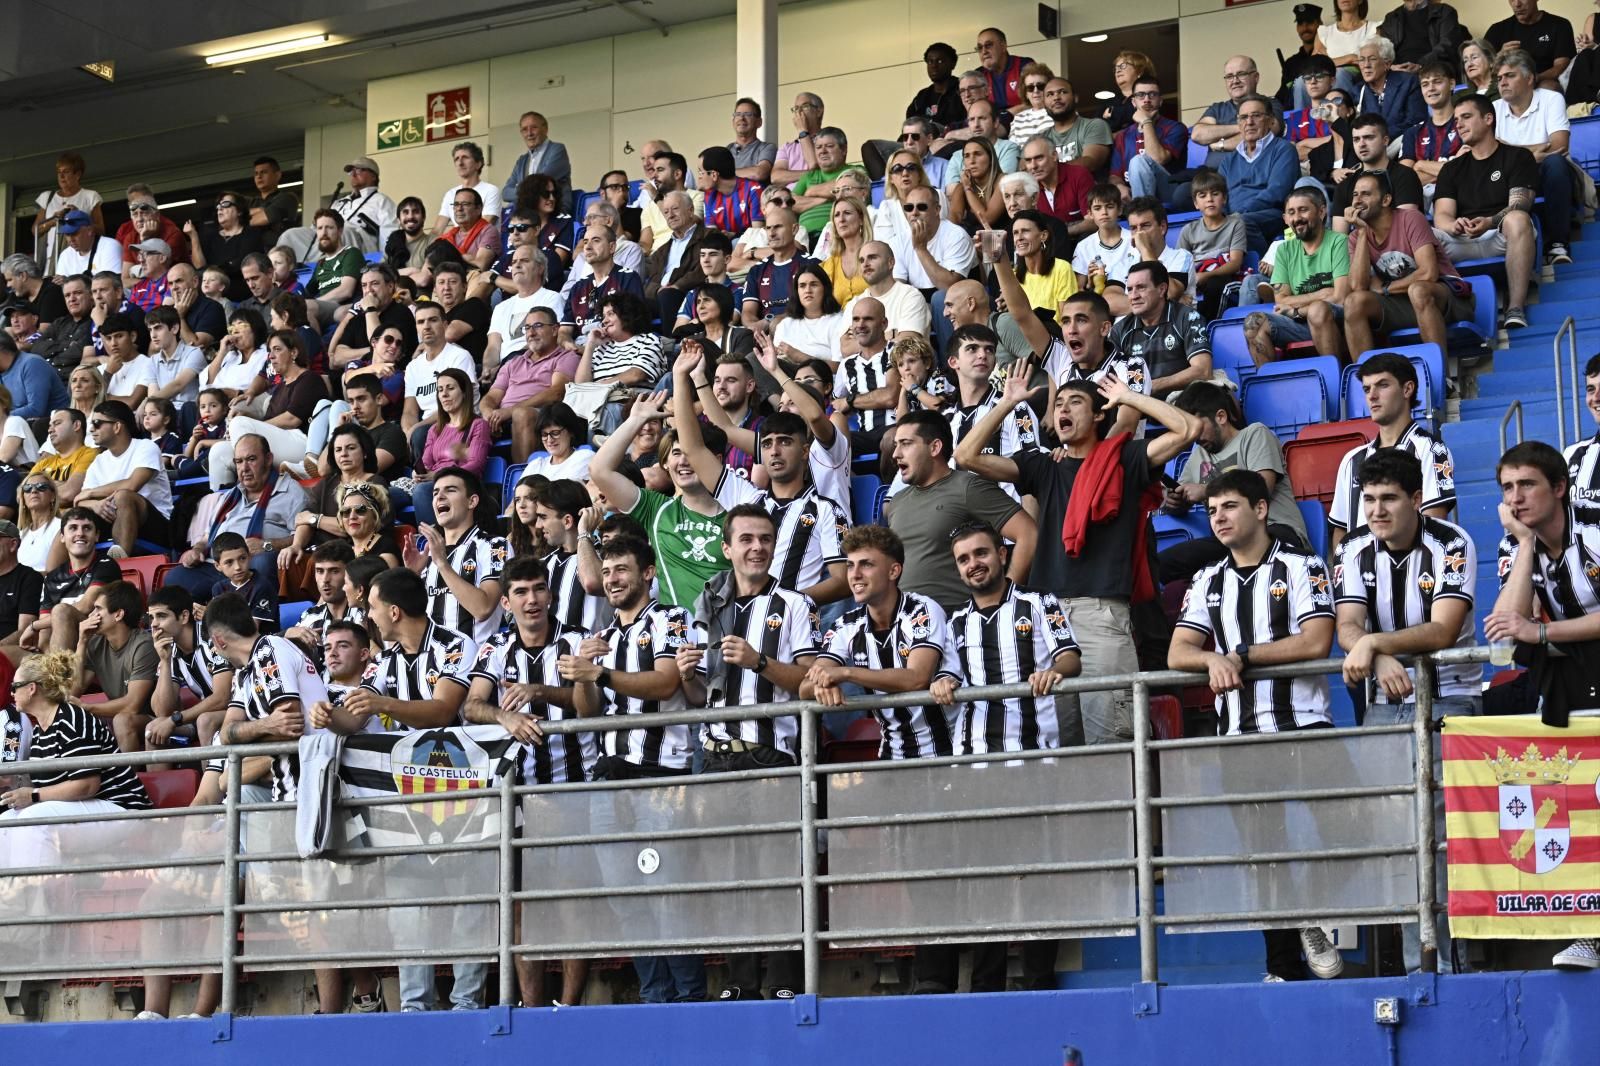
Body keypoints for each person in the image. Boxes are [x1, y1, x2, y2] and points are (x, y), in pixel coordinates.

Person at [957, 359, 1202, 746]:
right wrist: (1005, 403)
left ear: (1099, 415)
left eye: (1074, 403)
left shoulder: (1125, 458)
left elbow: (1190, 428)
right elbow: (966, 457)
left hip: (1102, 616)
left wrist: (1129, 397)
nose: (1063, 409)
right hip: (1047, 620)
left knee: (1112, 743)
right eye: (1059, 404)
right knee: (1060, 745)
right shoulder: (1043, 466)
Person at [1167, 469, 1342, 983]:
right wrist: (1211, 662)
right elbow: (1180, 651)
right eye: (1213, 509)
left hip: (1304, 723)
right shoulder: (1207, 579)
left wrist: (1238, 655)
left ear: (1261, 510)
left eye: (1230, 507)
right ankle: (1283, 965)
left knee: (1339, 835)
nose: (1218, 517)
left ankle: (1316, 914)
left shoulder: (1303, 566)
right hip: (1239, 733)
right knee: (1260, 852)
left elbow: (1316, 641)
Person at [918, 519, 1082, 994]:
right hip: (976, 770)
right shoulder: (953, 623)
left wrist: (1051, 670)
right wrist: (942, 683)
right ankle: (988, 985)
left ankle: (1038, 982)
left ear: (1003, 555)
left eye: (981, 554)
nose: (974, 564)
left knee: (1036, 877)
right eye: (965, 559)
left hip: (1033, 762)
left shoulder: (1040, 603)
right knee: (984, 880)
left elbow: (1071, 656)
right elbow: (943, 674)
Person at [1334, 448, 1477, 971]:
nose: (1376, 509)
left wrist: (1373, 644)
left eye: (1389, 498)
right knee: (1397, 842)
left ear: (1418, 499)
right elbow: (1347, 627)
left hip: (1450, 701)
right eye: (1369, 499)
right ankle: (1419, 970)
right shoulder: (1352, 549)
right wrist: (1378, 651)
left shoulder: (1452, 542)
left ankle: (1457, 966)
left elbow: (1442, 630)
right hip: (1383, 707)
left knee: (1444, 842)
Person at [679, 503, 820, 1000]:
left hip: (771, 754)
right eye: (746, 539)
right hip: (718, 756)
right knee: (731, 873)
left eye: (764, 539)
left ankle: (783, 981)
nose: (756, 547)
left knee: (778, 870)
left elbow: (808, 680)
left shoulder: (795, 605)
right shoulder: (709, 602)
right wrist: (684, 674)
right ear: (727, 547)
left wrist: (760, 661)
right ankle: (740, 981)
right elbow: (700, 697)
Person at [559, 535, 705, 1002]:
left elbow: (666, 685)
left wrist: (598, 673)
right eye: (606, 572)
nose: (612, 579)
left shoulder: (672, 618)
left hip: (661, 776)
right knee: (625, 896)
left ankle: (689, 997)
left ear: (647, 574)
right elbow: (587, 712)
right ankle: (654, 996)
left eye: (622, 569)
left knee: (668, 892)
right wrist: (584, 673)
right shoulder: (602, 639)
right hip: (610, 778)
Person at [1485, 440, 1600, 970]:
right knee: (1585, 806)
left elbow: (1532, 628)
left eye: (1527, 484)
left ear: (1559, 487)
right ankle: (1592, 934)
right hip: (1576, 685)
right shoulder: (1519, 543)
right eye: (1507, 488)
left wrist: (1544, 628)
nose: (1516, 497)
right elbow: (1506, 632)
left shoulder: (1595, 527)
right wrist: (1525, 546)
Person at [461, 555, 590, 1006]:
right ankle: (534, 1008)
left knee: (572, 901)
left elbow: (592, 703)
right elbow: (471, 706)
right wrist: (504, 715)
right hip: (515, 795)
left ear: (550, 594)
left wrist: (540, 692)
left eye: (538, 589)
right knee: (518, 904)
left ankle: (570, 1007)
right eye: (520, 592)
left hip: (574, 788)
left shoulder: (577, 641)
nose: (531, 599)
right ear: (508, 600)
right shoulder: (495, 648)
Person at [675, 351, 848, 606]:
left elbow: (842, 582)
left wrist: (781, 602)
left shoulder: (826, 509)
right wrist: (682, 378)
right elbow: (697, 448)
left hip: (798, 623)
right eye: (766, 445)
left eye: (784, 442)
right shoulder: (750, 500)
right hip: (742, 625)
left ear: (803, 451)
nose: (774, 450)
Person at [804, 524, 959, 758]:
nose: (854, 575)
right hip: (891, 755)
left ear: (893, 571)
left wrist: (846, 674)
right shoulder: (845, 626)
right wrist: (823, 685)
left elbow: (917, 678)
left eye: (866, 564)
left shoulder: (922, 609)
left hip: (950, 751)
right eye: (850, 565)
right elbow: (805, 687)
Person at [0, 650, 151, 874]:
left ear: (31, 688)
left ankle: (38, 896)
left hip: (122, 808)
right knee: (6, 820)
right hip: (85, 806)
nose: (11, 693)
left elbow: (88, 784)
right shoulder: (40, 731)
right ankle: (10, 894)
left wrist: (33, 795)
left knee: (31, 818)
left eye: (15, 687)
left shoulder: (72, 718)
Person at [882, 409, 1036, 615]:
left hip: (956, 623)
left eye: (906, 444)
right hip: (906, 624)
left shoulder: (968, 487)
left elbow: (1029, 534)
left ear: (935, 447)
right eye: (895, 445)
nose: (895, 454)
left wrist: (1003, 602)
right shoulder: (897, 502)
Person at [1163, 381, 1311, 582]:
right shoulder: (1199, 455)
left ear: (1221, 417)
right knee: (1165, 562)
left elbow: (1261, 488)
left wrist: (1205, 491)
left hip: (1274, 529)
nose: (1194, 437)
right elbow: (1183, 495)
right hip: (1228, 539)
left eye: (1199, 427)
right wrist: (1174, 500)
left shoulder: (1255, 434)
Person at [590, 393, 727, 608]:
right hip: (676, 636)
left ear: (715, 460)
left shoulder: (737, 515)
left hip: (725, 634)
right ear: (665, 462)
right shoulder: (657, 509)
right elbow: (600, 470)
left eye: (690, 453)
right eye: (676, 453)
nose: (683, 461)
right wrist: (635, 421)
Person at [1328, 353, 1457, 553]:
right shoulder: (1352, 460)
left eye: (1383, 385)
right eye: (1367, 389)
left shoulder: (1431, 451)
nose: (1372, 395)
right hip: (1361, 577)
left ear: (1407, 389)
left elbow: (1434, 525)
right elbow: (1340, 530)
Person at [1430, 94, 1539, 329]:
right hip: (1460, 238)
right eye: (1456, 119)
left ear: (1488, 118)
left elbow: (1520, 205)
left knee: (1518, 219)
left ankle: (1515, 308)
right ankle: (1442, 312)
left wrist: (1489, 222)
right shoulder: (1451, 168)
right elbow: (1441, 215)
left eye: (1466, 117)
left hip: (1500, 235)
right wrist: (1453, 225)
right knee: (1419, 230)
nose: (1458, 124)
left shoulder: (1518, 157)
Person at [1343, 172, 1475, 356]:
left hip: (1447, 297)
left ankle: (1441, 376)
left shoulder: (1410, 218)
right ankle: (1365, 378)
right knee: (1353, 303)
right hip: (1403, 304)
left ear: (1386, 200)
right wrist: (1363, 233)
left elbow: (1429, 273)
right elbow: (1357, 286)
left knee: (1419, 290)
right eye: (1355, 194)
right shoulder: (1356, 236)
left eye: (1366, 194)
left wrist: (1387, 288)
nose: (1357, 200)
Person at [165, 435, 307, 601]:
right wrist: (197, 550)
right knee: (175, 577)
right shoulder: (230, 497)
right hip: (217, 567)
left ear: (268, 459)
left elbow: (303, 538)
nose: (244, 468)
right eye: (238, 462)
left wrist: (268, 545)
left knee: (261, 563)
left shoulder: (290, 491)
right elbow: (206, 537)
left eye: (251, 459)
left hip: (251, 567)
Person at [400, 466, 506, 647]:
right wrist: (413, 576)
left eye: (450, 490)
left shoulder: (494, 545)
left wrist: (442, 564)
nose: (439, 497)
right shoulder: (428, 554)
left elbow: (483, 608)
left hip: (476, 663)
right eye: (435, 493)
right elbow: (409, 622)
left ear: (472, 502)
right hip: (432, 663)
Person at [1243, 186, 1351, 364]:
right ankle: (1269, 385)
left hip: (1338, 321)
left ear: (1322, 211)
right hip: (1301, 322)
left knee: (1318, 310)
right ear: (1285, 219)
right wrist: (1323, 294)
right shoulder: (1284, 250)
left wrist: (1296, 309)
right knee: (1253, 322)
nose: (1297, 218)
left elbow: (1340, 297)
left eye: (1303, 210)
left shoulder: (1339, 242)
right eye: (1291, 213)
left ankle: (1337, 380)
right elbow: (1281, 301)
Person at [1493, 49, 1576, 268]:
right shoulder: (1493, 109)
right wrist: (1531, 152)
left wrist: (1507, 149)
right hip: (1509, 177)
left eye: (1510, 75)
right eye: (1499, 78)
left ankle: (1557, 243)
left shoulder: (1551, 99)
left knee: (1555, 163)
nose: (1502, 82)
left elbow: (1558, 146)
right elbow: (1489, 153)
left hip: (1545, 174)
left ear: (1530, 78)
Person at [68, 578, 158, 754]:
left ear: (118, 614)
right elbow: (73, 691)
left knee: (122, 720)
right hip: (116, 716)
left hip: (152, 719)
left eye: (98, 609)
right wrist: (82, 642)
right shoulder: (95, 643)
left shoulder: (143, 645)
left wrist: (89, 708)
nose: (91, 615)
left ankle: (128, 780)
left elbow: (133, 705)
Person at [74, 399, 173, 557]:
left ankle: (120, 563)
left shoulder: (146, 447)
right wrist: (96, 504)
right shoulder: (99, 460)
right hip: (112, 518)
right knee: (70, 518)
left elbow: (132, 484)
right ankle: (55, 576)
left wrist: (91, 493)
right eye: (91, 424)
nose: (91, 429)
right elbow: (80, 500)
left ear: (117, 426)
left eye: (97, 423)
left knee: (124, 496)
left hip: (156, 526)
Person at [145, 585, 235, 753]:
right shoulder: (169, 649)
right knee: (153, 728)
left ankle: (211, 778)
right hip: (208, 716)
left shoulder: (211, 637)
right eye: (151, 618)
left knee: (205, 720)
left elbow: (222, 698)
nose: (154, 624)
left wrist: (175, 720)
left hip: (240, 710)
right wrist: (164, 662)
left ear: (184, 616)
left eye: (161, 616)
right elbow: (161, 711)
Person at [1110, 261, 1212, 397]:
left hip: (1181, 403)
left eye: (1141, 288)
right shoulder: (1120, 330)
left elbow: (1203, 371)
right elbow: (1111, 380)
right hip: (1137, 407)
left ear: (1162, 289)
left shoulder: (1187, 317)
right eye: (1129, 289)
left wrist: (1150, 386)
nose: (1133, 296)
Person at [1217, 95, 1302, 254]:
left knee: (1241, 223)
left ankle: (1266, 269)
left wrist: (1237, 215)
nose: (1249, 122)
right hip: (1234, 218)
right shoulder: (1228, 161)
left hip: (1271, 215)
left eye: (1256, 115)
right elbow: (1220, 197)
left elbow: (1277, 192)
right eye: (1243, 117)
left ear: (1270, 121)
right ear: (1238, 123)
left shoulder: (1283, 149)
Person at [1329, 114, 1426, 227]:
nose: (1361, 144)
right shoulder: (1345, 185)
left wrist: (1363, 229)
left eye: (1369, 137)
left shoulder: (1405, 176)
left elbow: (1404, 229)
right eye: (1356, 139)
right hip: (1359, 243)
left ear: (1385, 140)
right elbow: (1341, 239)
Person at [1111, 75, 1189, 209]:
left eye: (1152, 95)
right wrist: (1119, 186)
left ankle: (1142, 213)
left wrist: (1146, 122)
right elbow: (1114, 175)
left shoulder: (1175, 128)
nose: (1146, 100)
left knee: (1138, 161)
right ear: (1133, 102)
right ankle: (1140, 211)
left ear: (1160, 101)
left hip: (1169, 191)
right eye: (1141, 95)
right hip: (1132, 197)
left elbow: (1158, 158)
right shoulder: (1123, 136)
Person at [838, 244, 931, 354]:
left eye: (872, 257)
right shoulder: (854, 304)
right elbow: (846, 349)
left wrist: (866, 340)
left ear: (890, 263)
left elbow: (907, 344)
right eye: (861, 260)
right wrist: (890, 334)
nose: (866, 264)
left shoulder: (910, 296)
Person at [1194, 56, 1284, 163]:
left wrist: (1221, 144)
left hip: (1253, 173)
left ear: (1256, 77)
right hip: (1212, 175)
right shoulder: (1217, 109)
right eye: (1229, 76)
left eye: (1241, 74)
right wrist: (1245, 127)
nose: (1235, 81)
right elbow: (1198, 134)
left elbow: (1264, 133)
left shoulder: (1270, 104)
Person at [31, 152, 105, 278]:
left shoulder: (90, 196)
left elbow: (100, 230)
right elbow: (35, 230)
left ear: (78, 174)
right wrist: (53, 221)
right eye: (59, 172)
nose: (61, 176)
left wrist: (78, 216)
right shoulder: (48, 197)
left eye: (66, 171)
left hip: (77, 261)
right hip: (49, 263)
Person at [185, 192, 266, 304]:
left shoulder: (251, 234)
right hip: (213, 300)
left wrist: (213, 269)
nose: (220, 209)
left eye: (226, 204)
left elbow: (242, 263)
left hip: (243, 298)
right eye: (218, 206)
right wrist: (193, 236)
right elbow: (200, 267)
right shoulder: (211, 237)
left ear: (239, 211)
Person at [283, 541, 362, 652]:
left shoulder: (364, 616)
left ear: (350, 575)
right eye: (319, 571)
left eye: (334, 571)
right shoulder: (310, 616)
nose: (325, 580)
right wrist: (286, 633)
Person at [1398, 62, 1466, 192]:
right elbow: (1405, 181)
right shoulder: (1412, 133)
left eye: (1437, 82)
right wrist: (1449, 168)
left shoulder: (1466, 124)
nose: (1431, 88)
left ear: (1451, 84)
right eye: (1425, 84)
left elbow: (1465, 171)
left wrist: (1421, 165)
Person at [1486, 0, 1576, 90]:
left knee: (1549, 87)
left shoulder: (1559, 25)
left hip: (1542, 82)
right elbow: (1482, 68)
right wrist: (1499, 56)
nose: (1517, 4)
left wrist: (1535, 78)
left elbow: (1561, 66)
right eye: (1512, 0)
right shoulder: (1497, 30)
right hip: (1506, 85)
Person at [500, 111, 572, 211]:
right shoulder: (522, 160)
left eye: (534, 127)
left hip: (555, 213)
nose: (529, 133)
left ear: (545, 129)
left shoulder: (557, 149)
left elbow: (539, 185)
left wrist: (520, 189)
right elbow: (506, 193)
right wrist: (529, 191)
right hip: (528, 215)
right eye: (524, 129)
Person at [1354, 38, 1427, 134]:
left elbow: (1415, 122)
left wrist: (1381, 137)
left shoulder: (1409, 82)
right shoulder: (1359, 91)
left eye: (1372, 59)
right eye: (1362, 60)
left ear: (1387, 64)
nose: (1366, 65)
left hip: (1402, 142)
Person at [789, 128, 852, 238]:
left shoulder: (855, 171)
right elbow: (791, 204)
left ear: (844, 149)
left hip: (837, 234)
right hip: (804, 237)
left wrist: (810, 191)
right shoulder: (808, 176)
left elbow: (847, 185)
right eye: (818, 147)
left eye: (829, 146)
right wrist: (828, 197)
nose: (822, 151)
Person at [1380, 0, 1464, 73]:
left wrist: (1421, 65)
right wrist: (1391, 67)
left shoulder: (1444, 11)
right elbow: (1382, 50)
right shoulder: (1391, 18)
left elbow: (1448, 45)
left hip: (1433, 70)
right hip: (1398, 74)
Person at [0, 334, 69, 423]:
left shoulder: (32, 363)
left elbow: (36, 409)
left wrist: (3, 416)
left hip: (53, 426)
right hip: (18, 426)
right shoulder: (2, 372)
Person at [908, 41, 965, 130]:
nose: (934, 66)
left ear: (953, 64)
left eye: (940, 61)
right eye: (930, 62)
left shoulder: (963, 90)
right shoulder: (921, 97)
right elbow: (909, 125)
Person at [975, 26, 1034, 110]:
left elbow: (1037, 101)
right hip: (994, 122)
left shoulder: (1024, 66)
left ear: (1003, 46)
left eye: (988, 45)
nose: (984, 51)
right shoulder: (979, 75)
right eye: (980, 48)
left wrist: (1007, 114)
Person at [244, 157, 300, 246]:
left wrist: (242, 218)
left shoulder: (288, 198)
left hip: (280, 252)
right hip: (253, 254)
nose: (259, 176)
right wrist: (259, 211)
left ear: (277, 175)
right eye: (256, 173)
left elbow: (266, 217)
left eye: (264, 172)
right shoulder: (252, 202)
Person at [53, 210, 121, 281]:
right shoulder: (65, 255)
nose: (70, 239)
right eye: (67, 234)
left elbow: (110, 284)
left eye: (74, 233)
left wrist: (68, 282)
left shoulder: (110, 246)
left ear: (90, 230)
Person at [727, 97, 777, 185]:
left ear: (759, 122)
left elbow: (760, 173)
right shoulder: (727, 150)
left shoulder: (767, 148)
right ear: (733, 121)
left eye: (748, 114)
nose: (741, 118)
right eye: (738, 114)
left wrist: (725, 174)